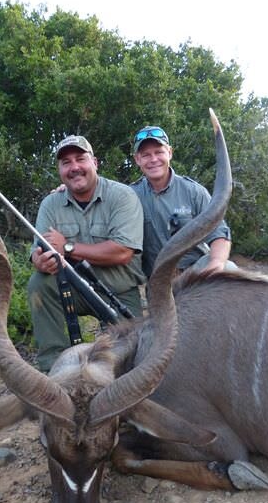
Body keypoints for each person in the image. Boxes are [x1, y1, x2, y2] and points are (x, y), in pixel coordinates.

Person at [28, 135, 145, 373]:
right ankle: (53, 369)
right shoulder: (50, 204)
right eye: (66, 162)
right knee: (40, 284)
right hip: (74, 287)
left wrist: (68, 247)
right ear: (60, 170)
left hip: (119, 290)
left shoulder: (122, 196)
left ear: (95, 163)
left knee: (136, 358)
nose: (74, 167)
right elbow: (39, 251)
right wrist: (41, 262)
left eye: (80, 159)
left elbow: (123, 252)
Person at [131, 125, 235, 277]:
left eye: (159, 152)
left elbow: (219, 233)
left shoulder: (193, 191)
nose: (153, 159)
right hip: (158, 282)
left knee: (229, 268)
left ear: (170, 153)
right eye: (146, 155)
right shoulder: (130, 195)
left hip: (194, 276)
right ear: (137, 159)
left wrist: (216, 264)